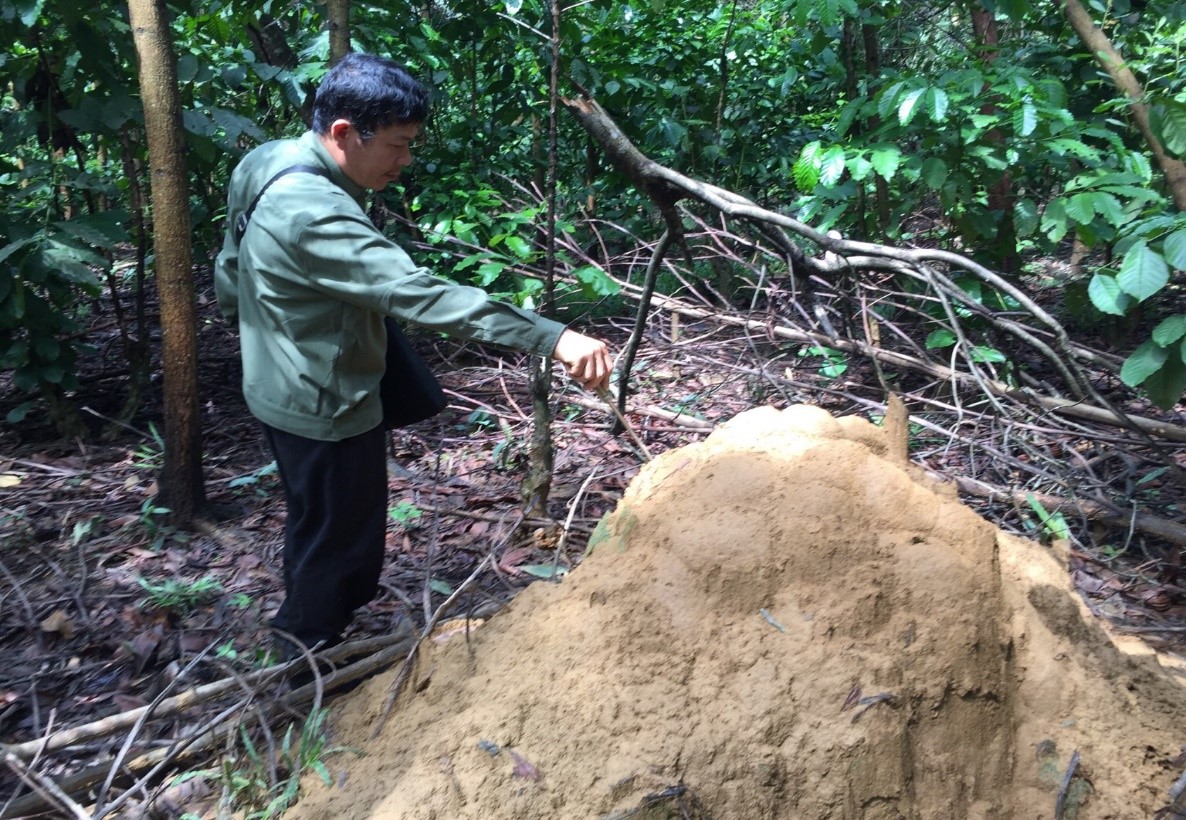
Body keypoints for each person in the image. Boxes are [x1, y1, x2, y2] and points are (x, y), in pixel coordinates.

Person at [214, 52, 612, 660]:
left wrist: (264, 328)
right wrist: (553, 337)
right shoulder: (312, 211)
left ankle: (310, 630)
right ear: (344, 133)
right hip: (324, 406)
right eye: (398, 145)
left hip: (276, 382)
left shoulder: (269, 158)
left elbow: (228, 268)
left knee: (316, 523)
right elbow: (421, 295)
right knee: (343, 548)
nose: (406, 161)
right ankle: (302, 664)